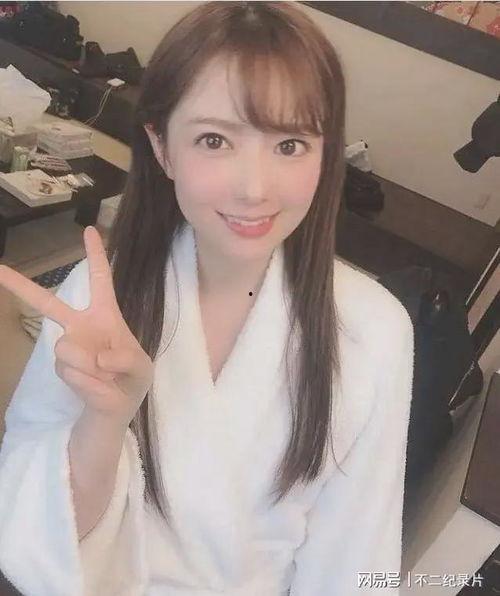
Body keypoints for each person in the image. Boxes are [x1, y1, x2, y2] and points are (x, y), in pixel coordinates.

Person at [0, 2, 414, 595]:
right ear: (162, 147)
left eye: (290, 144)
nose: (254, 189)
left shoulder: (374, 331)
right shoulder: (99, 297)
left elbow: (355, 561)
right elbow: (38, 538)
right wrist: (106, 420)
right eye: (215, 139)